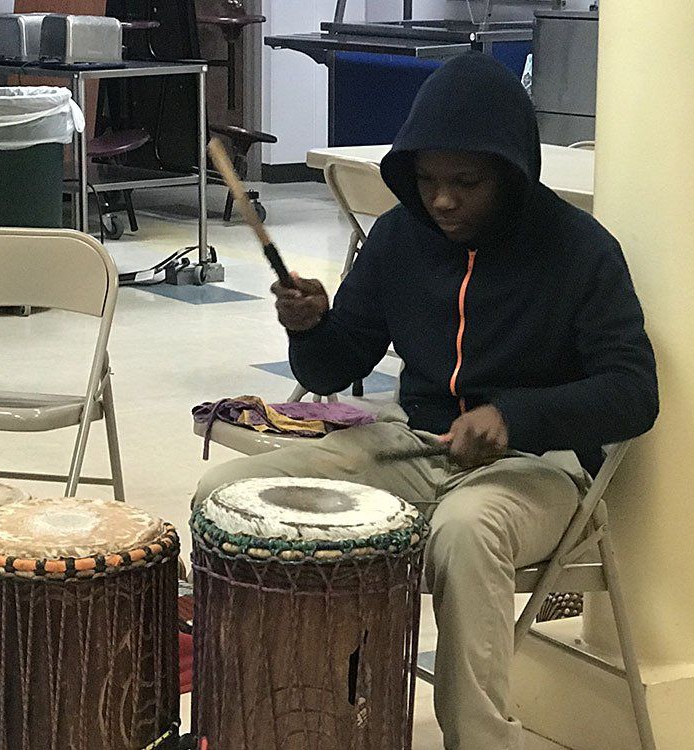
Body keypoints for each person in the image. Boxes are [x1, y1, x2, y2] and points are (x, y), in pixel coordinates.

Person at [193, 53, 658, 750]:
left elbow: (634, 391)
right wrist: (309, 325)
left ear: (511, 173)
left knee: (464, 531)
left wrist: (513, 417)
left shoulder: (580, 250)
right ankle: (273, 719)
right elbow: (334, 365)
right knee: (227, 492)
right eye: (428, 180)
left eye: (465, 183)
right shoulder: (400, 237)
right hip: (411, 446)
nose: (441, 201)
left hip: (540, 468)